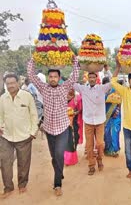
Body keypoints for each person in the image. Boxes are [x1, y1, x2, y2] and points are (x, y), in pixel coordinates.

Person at [27, 58, 79, 196]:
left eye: (55, 77)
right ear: (48, 78)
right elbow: (31, 75)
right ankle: (59, 171)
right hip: (49, 129)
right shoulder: (43, 88)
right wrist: (33, 59)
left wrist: (74, 60)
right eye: (50, 76)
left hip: (62, 128)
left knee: (58, 154)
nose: (53, 79)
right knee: (53, 157)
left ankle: (57, 184)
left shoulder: (64, 87)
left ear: (59, 78)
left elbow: (75, 76)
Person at [0, 74, 38, 198]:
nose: (10, 85)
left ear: (18, 83)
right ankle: (8, 187)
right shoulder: (2, 98)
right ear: (5, 85)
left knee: (23, 162)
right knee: (5, 162)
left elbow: (33, 115)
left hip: (24, 136)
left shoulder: (27, 97)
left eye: (12, 83)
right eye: (8, 83)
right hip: (6, 136)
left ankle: (22, 184)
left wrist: (33, 132)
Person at [73, 69, 112, 175]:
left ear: (96, 78)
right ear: (88, 78)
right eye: (90, 77)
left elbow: (113, 81)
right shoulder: (83, 89)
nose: (91, 79)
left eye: (93, 77)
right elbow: (71, 82)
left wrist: (107, 69)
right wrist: (77, 68)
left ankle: (100, 159)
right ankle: (91, 166)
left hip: (100, 122)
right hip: (88, 122)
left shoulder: (101, 89)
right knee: (89, 146)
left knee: (100, 144)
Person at [64, 89, 82, 166]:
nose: (68, 95)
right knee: (65, 140)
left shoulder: (77, 99)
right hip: (64, 123)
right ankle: (66, 160)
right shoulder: (62, 98)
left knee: (74, 139)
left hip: (74, 122)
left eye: (70, 94)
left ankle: (72, 159)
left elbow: (80, 109)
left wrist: (74, 113)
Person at [104, 83, 121, 157]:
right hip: (105, 117)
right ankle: (107, 149)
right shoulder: (102, 93)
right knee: (107, 133)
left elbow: (119, 104)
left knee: (115, 132)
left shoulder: (116, 92)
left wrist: (117, 111)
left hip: (115, 117)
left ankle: (114, 150)